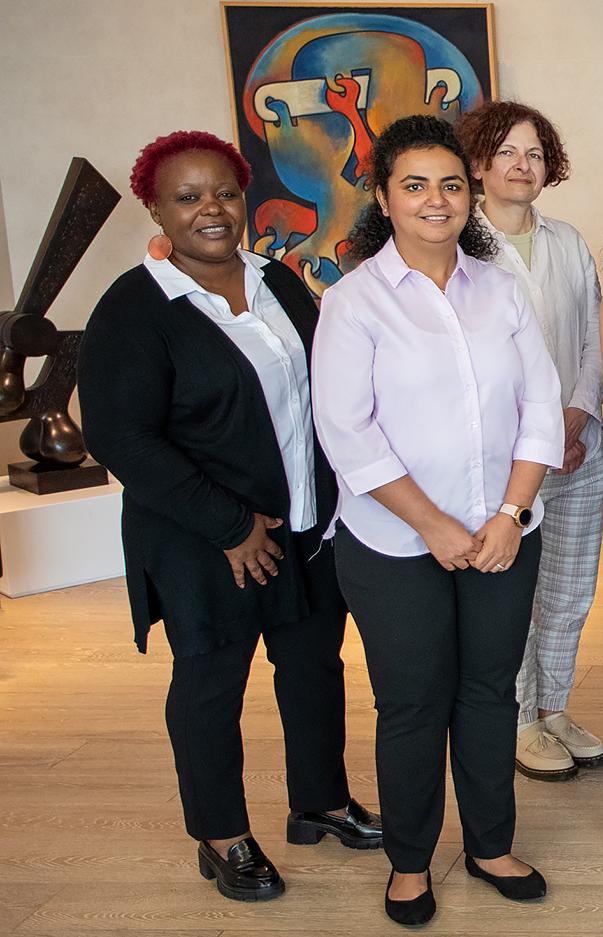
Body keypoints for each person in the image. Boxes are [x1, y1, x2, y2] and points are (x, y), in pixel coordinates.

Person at [77, 130, 380, 904]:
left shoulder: (276, 278)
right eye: (187, 197)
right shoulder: (134, 310)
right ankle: (220, 834)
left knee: (312, 667)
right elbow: (121, 438)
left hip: (305, 524)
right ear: (155, 206)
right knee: (211, 682)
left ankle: (320, 800)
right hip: (204, 540)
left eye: (224, 192)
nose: (211, 209)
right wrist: (229, 526)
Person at [313, 115, 561, 925]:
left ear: (471, 194)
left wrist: (510, 514)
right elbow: (349, 432)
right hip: (393, 544)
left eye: (451, 183)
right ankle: (411, 860)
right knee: (415, 700)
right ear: (384, 198)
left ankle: (489, 844)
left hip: (501, 535)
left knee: (490, 693)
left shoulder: (500, 289)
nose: (436, 199)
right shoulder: (353, 302)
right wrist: (432, 525)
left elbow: (542, 407)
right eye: (414, 184)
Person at [455, 100, 603, 784]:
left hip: (580, 444)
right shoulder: (458, 248)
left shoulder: (568, 241)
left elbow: (597, 337)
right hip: (505, 458)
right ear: (479, 165)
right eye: (508, 152)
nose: (523, 165)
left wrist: (576, 414)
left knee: (571, 590)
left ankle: (554, 707)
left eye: (535, 153)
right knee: (512, 590)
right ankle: (518, 718)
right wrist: (543, 433)